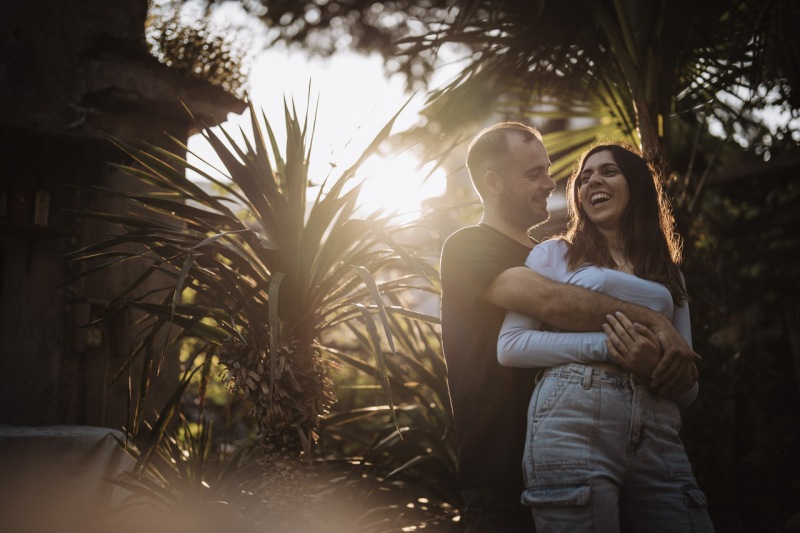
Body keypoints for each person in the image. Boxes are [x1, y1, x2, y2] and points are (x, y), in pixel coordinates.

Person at [439, 123, 701, 532]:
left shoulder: (561, 253)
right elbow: (550, 302)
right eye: (533, 174)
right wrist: (651, 320)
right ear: (492, 182)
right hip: (500, 464)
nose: (550, 183)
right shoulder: (469, 247)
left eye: (548, 170)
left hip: (604, 445)